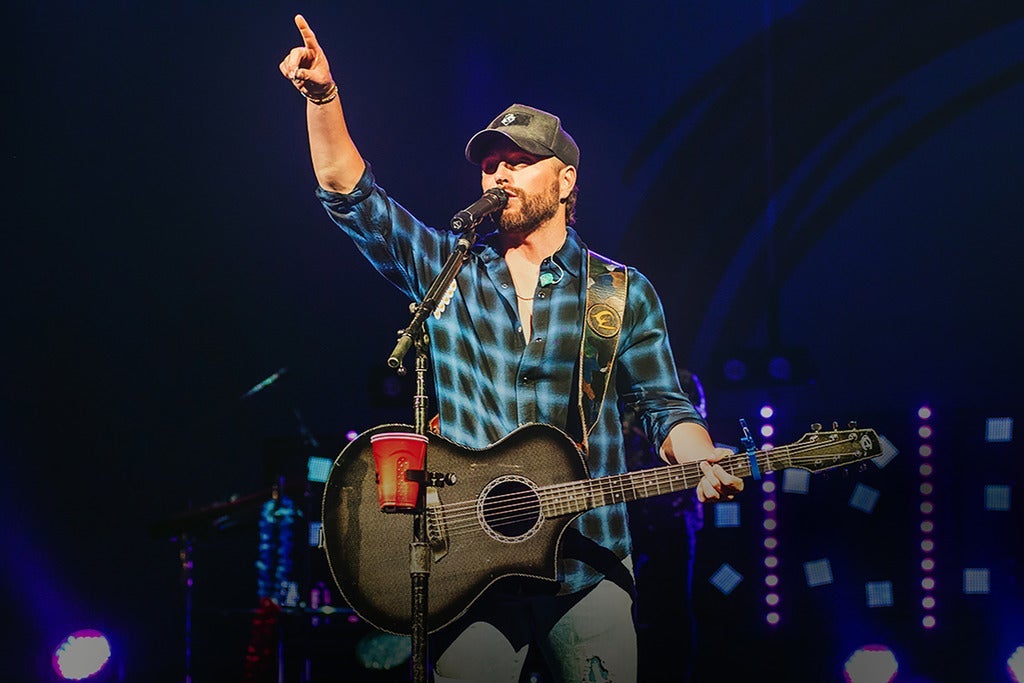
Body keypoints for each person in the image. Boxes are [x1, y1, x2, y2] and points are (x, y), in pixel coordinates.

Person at [279, 14, 743, 683]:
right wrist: (323, 100)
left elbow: (661, 401)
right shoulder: (450, 272)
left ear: (566, 181)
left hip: (587, 566)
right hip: (470, 572)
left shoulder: (617, 291)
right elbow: (353, 197)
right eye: (491, 164)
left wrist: (699, 454)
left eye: (520, 162)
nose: (498, 175)